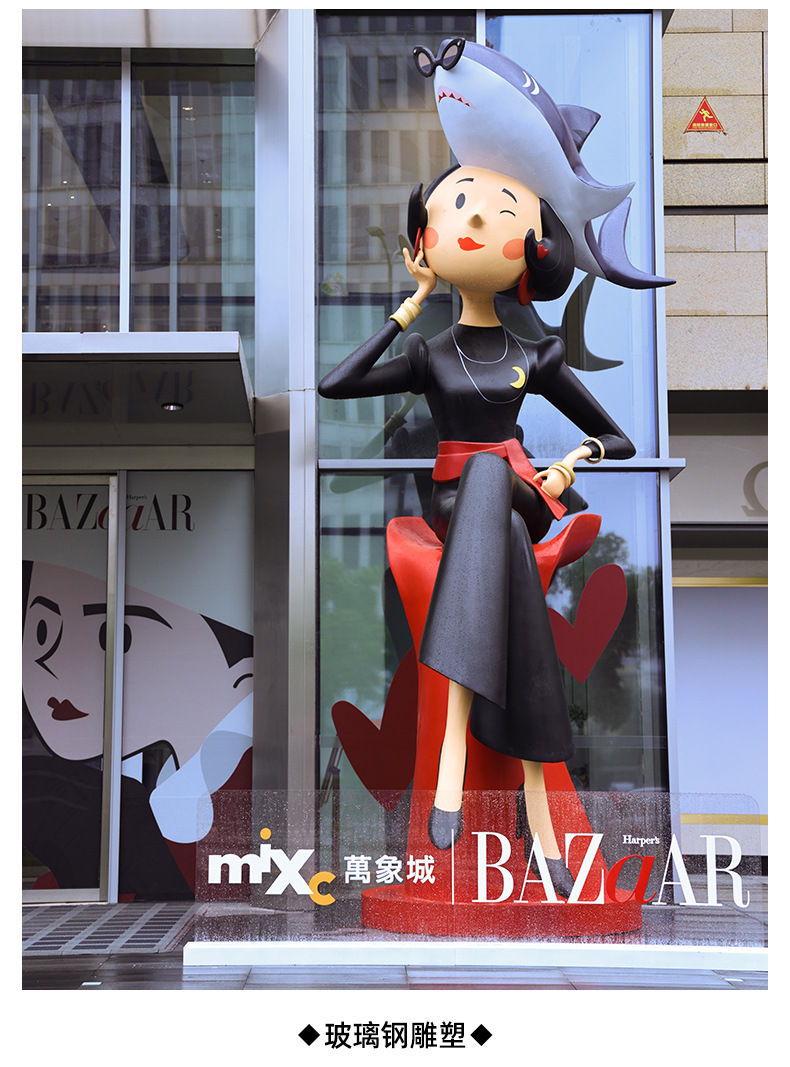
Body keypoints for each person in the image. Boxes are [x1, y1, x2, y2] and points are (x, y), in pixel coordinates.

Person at [319, 39, 671, 897]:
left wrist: (570, 464)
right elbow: (338, 385)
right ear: (428, 237)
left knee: (494, 483)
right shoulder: (431, 353)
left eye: (498, 210)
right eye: (459, 205)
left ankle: (451, 756)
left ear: (531, 249)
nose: (474, 221)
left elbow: (618, 438)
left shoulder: (537, 354)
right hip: (464, 501)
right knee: (486, 500)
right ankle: (543, 807)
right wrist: (407, 308)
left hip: (520, 492)